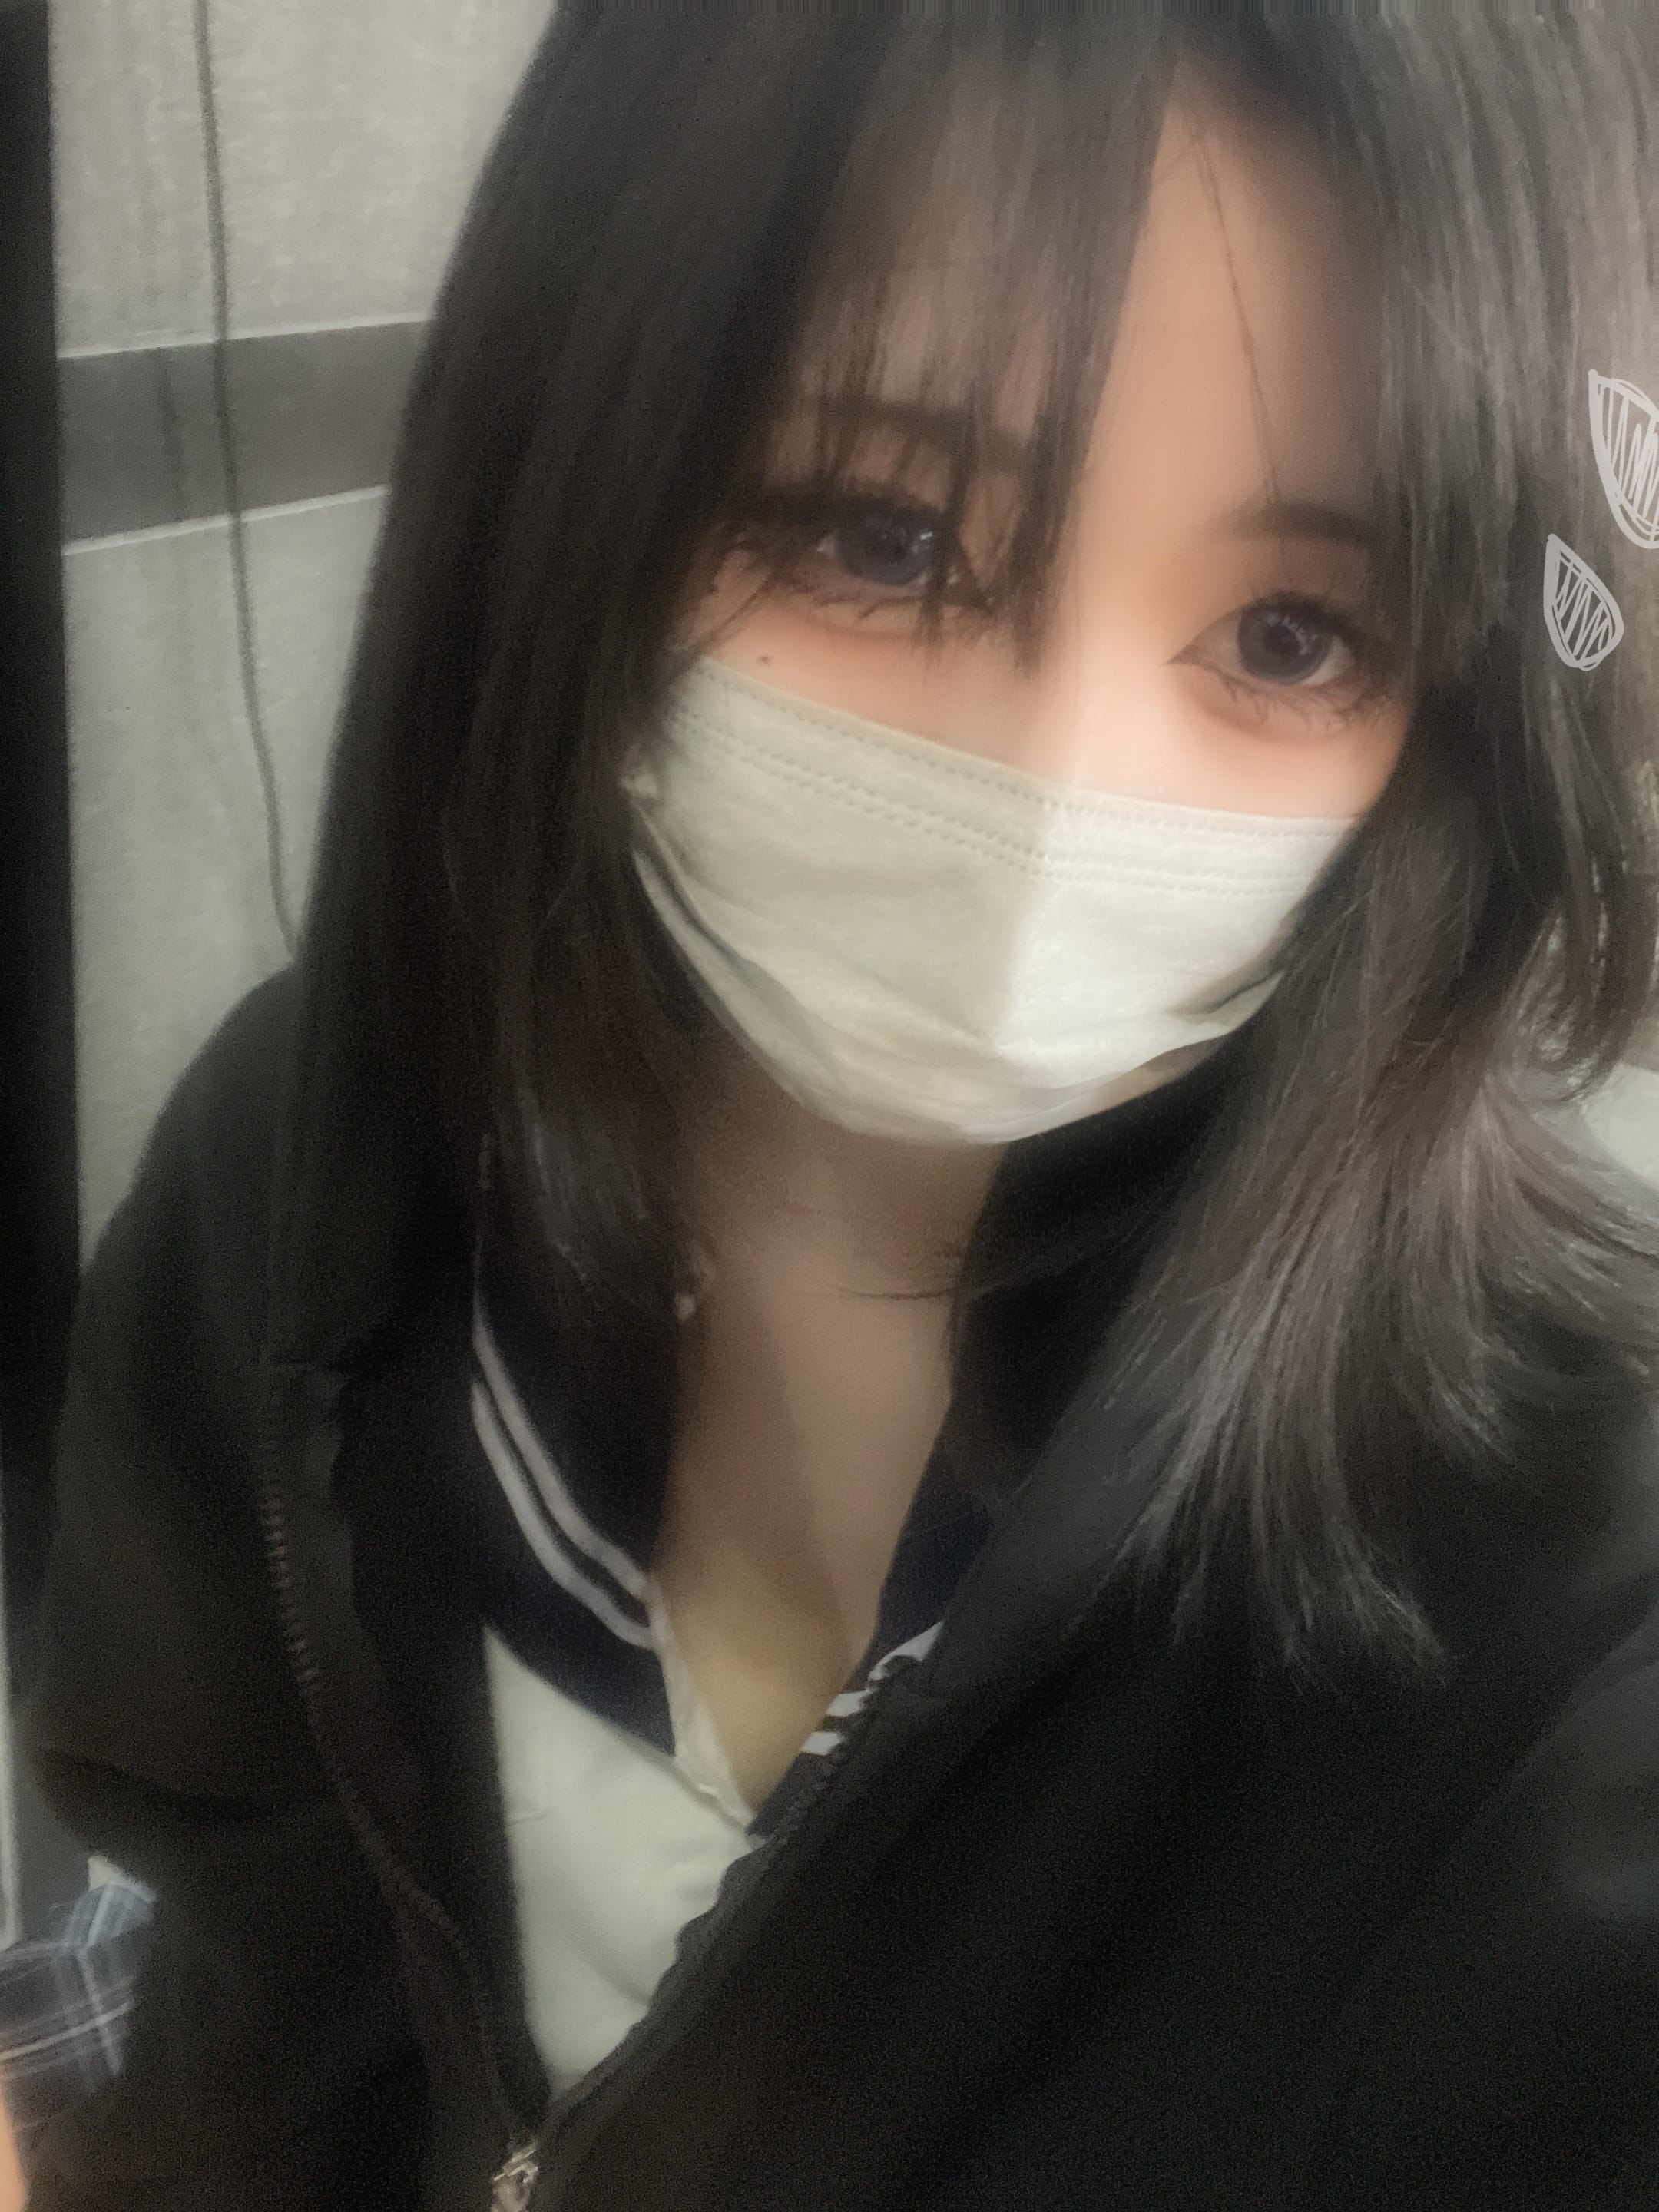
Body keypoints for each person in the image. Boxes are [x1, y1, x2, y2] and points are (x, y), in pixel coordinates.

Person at [18, 8, 1659, 2209]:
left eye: (1293, 636)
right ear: (573, 465)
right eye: (881, 534)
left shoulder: (1575, 1640)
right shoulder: (306, 1189)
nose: (1055, 794)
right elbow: (244, 2049)